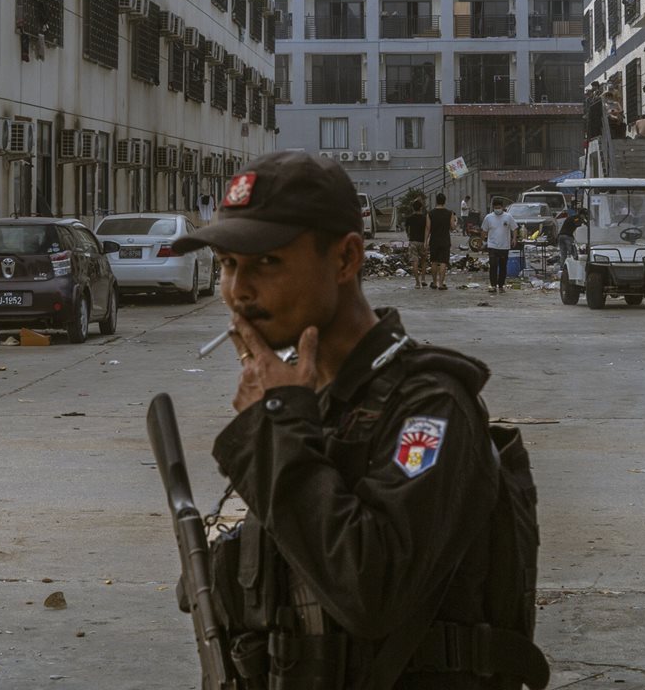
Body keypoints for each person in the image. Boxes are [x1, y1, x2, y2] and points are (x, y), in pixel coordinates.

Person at [169, 151, 546, 690]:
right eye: (229, 265)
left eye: (266, 263)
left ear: (346, 259)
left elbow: (369, 588)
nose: (238, 291)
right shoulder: (309, 401)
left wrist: (274, 427)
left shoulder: (430, 409)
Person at [481, 198, 513, 295]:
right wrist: (483, 241)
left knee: (503, 267)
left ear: (502, 207)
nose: (497, 209)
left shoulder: (508, 217)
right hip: (492, 246)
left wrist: (514, 238)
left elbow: (514, 228)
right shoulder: (488, 217)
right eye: (495, 208)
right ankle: (493, 285)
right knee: (493, 266)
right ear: (493, 208)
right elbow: (484, 230)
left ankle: (501, 285)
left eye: (499, 208)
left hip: (504, 246)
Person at [426, 193, 455, 291]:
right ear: (444, 201)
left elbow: (428, 228)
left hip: (434, 240)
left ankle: (434, 283)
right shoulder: (449, 213)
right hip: (445, 240)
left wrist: (425, 241)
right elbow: (452, 227)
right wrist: (455, 222)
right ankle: (441, 284)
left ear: (436, 201)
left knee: (434, 261)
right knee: (443, 262)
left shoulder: (430, 213)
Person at [401, 196, 429, 288]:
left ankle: (417, 283)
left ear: (413, 208)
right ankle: (423, 279)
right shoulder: (424, 218)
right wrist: (426, 241)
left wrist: (409, 236)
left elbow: (406, 229)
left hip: (413, 241)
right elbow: (427, 230)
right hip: (422, 241)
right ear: (421, 207)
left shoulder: (409, 218)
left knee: (414, 262)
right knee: (424, 261)